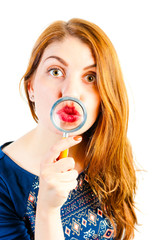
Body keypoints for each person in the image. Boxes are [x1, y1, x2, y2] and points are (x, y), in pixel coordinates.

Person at [0, 18, 137, 240]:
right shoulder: (4, 182)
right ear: (31, 86)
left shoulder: (108, 151)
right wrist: (47, 210)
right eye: (55, 72)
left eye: (90, 77)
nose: (71, 92)